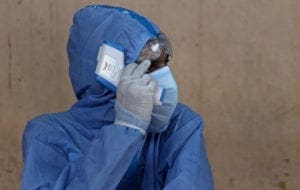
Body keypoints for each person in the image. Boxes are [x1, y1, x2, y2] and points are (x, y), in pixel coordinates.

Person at [21, 5, 214, 190]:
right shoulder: (47, 135)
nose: (161, 77)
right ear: (107, 70)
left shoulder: (180, 125)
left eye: (162, 64)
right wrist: (125, 131)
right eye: (146, 65)